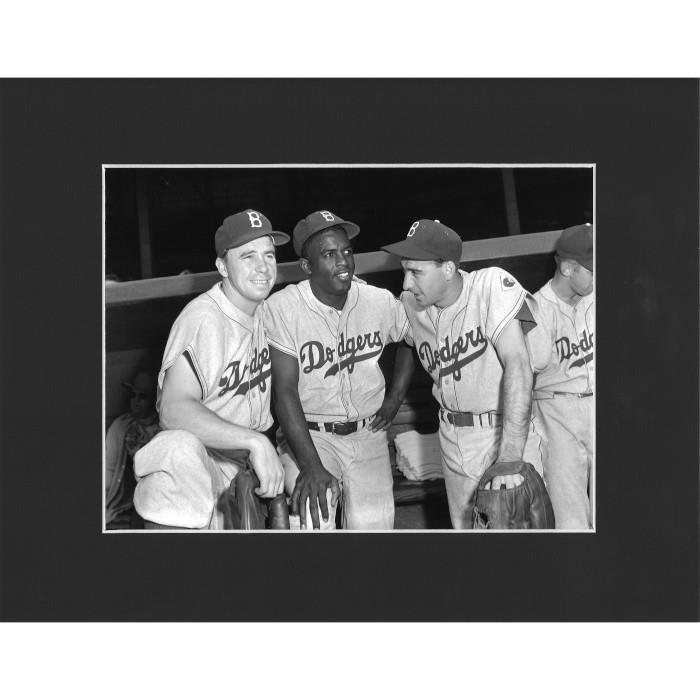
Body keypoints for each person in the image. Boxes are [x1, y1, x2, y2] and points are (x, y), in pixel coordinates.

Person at [381, 219, 544, 529]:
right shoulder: (412, 304)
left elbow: (518, 364)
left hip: (500, 430)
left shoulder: (489, 286)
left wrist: (509, 457)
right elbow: (403, 339)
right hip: (451, 437)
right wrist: (394, 397)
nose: (405, 283)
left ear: (448, 269)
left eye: (416, 272)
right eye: (404, 270)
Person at [132, 209, 289, 529]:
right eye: (248, 256)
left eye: (269, 255)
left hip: (237, 467)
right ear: (222, 266)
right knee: (177, 447)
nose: (263, 267)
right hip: (197, 473)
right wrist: (255, 442)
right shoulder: (203, 318)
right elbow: (173, 410)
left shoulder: (262, 310)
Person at [264, 210, 415, 530]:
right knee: (314, 518)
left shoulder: (377, 300)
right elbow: (285, 392)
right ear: (307, 267)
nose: (343, 261)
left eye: (347, 251)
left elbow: (409, 339)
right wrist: (311, 465)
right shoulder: (283, 308)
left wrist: (395, 397)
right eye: (329, 254)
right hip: (311, 436)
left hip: (368, 435)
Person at [526, 223, 594, 529]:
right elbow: (523, 376)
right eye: (592, 269)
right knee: (571, 516)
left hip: (597, 405)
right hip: (557, 413)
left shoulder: (594, 297)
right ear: (567, 267)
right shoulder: (536, 308)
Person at [105, 370, 160, 529]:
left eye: (142, 396)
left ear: (153, 400)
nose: (135, 401)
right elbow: (109, 467)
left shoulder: (165, 426)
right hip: (129, 497)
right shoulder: (121, 426)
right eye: (132, 395)